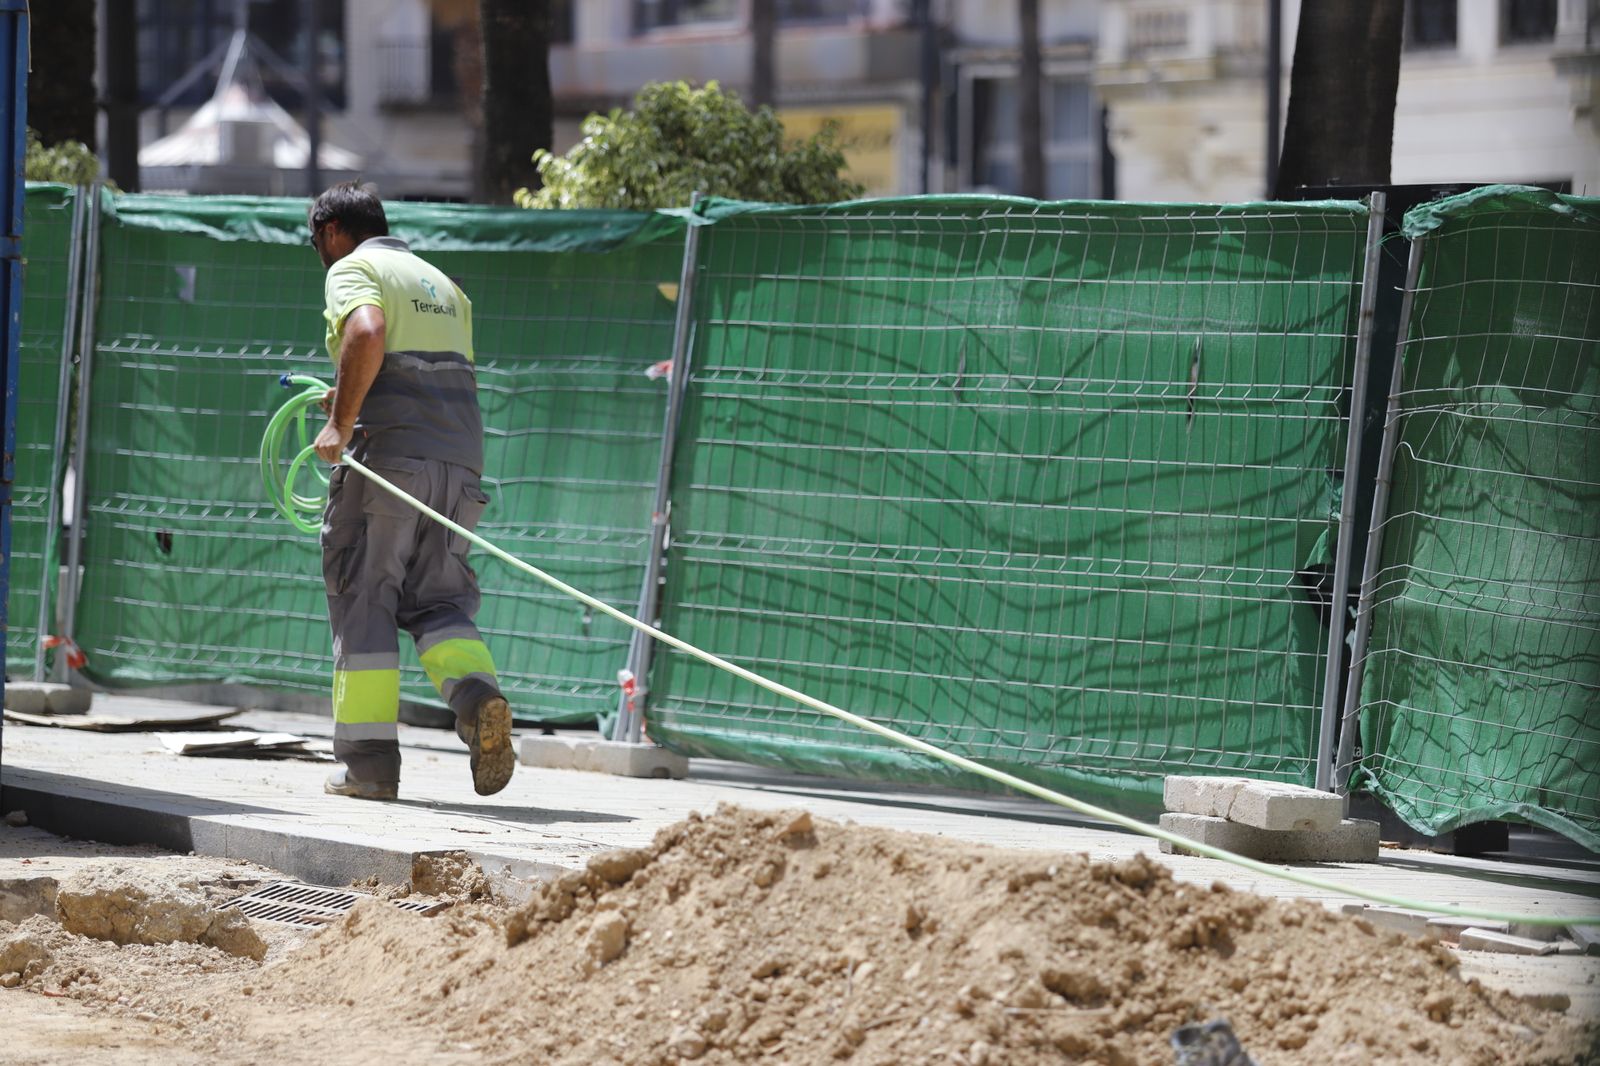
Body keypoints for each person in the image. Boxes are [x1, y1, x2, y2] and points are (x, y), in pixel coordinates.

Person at [308, 181, 514, 801]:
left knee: (364, 592)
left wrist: (340, 424)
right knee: (438, 601)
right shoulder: (444, 285)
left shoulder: (354, 268)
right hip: (459, 462)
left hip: (392, 464)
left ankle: (368, 767)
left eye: (316, 241)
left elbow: (367, 332)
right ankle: (479, 702)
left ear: (332, 231)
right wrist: (348, 394)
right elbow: (425, 373)